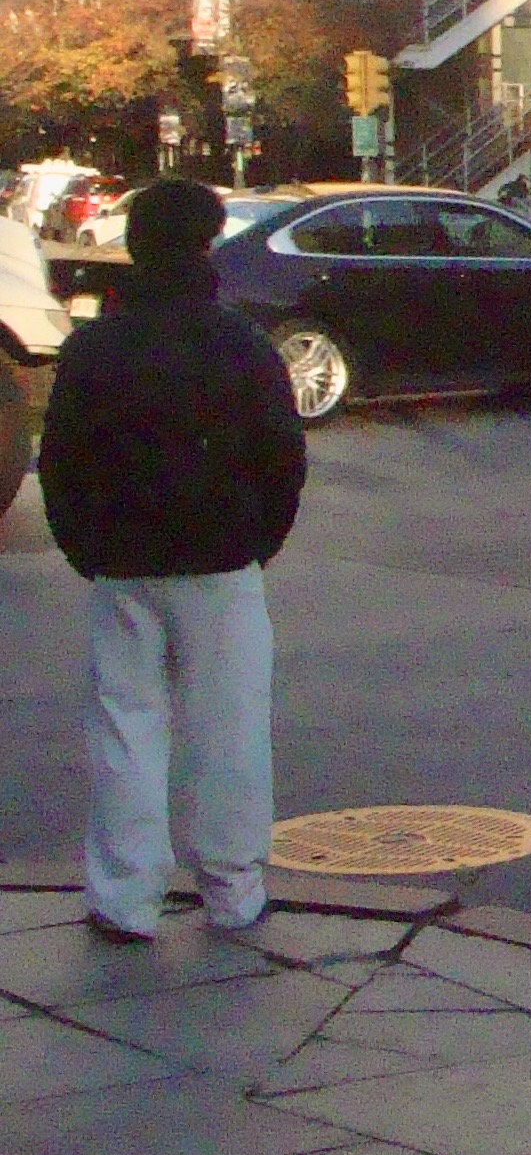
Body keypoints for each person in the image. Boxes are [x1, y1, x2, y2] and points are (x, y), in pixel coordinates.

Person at [39, 176, 306, 942]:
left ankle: (126, 898)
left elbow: (62, 460)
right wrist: (260, 539)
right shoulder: (239, 343)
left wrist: (85, 546)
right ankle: (233, 888)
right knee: (231, 729)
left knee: (126, 727)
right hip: (222, 560)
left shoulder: (97, 345)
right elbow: (281, 454)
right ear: (208, 242)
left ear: (134, 245)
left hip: (123, 560)